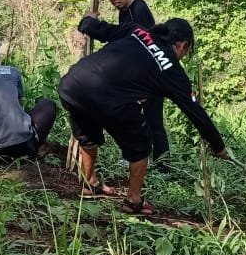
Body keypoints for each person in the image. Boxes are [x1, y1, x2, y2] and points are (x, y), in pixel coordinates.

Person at [58, 18, 230, 215]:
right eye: (186, 51)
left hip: (72, 85)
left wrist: (87, 20)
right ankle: (133, 201)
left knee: (88, 137)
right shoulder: (171, 69)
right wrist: (218, 146)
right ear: (183, 44)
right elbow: (195, 112)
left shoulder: (136, 31)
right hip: (106, 98)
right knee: (140, 144)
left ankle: (90, 185)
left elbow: (101, 30)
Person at [77, 0, 171, 170]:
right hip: (138, 76)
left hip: (148, 76)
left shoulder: (139, 11)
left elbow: (132, 41)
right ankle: (138, 158)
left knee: (153, 121)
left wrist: (90, 24)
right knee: (138, 119)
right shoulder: (126, 11)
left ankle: (164, 167)